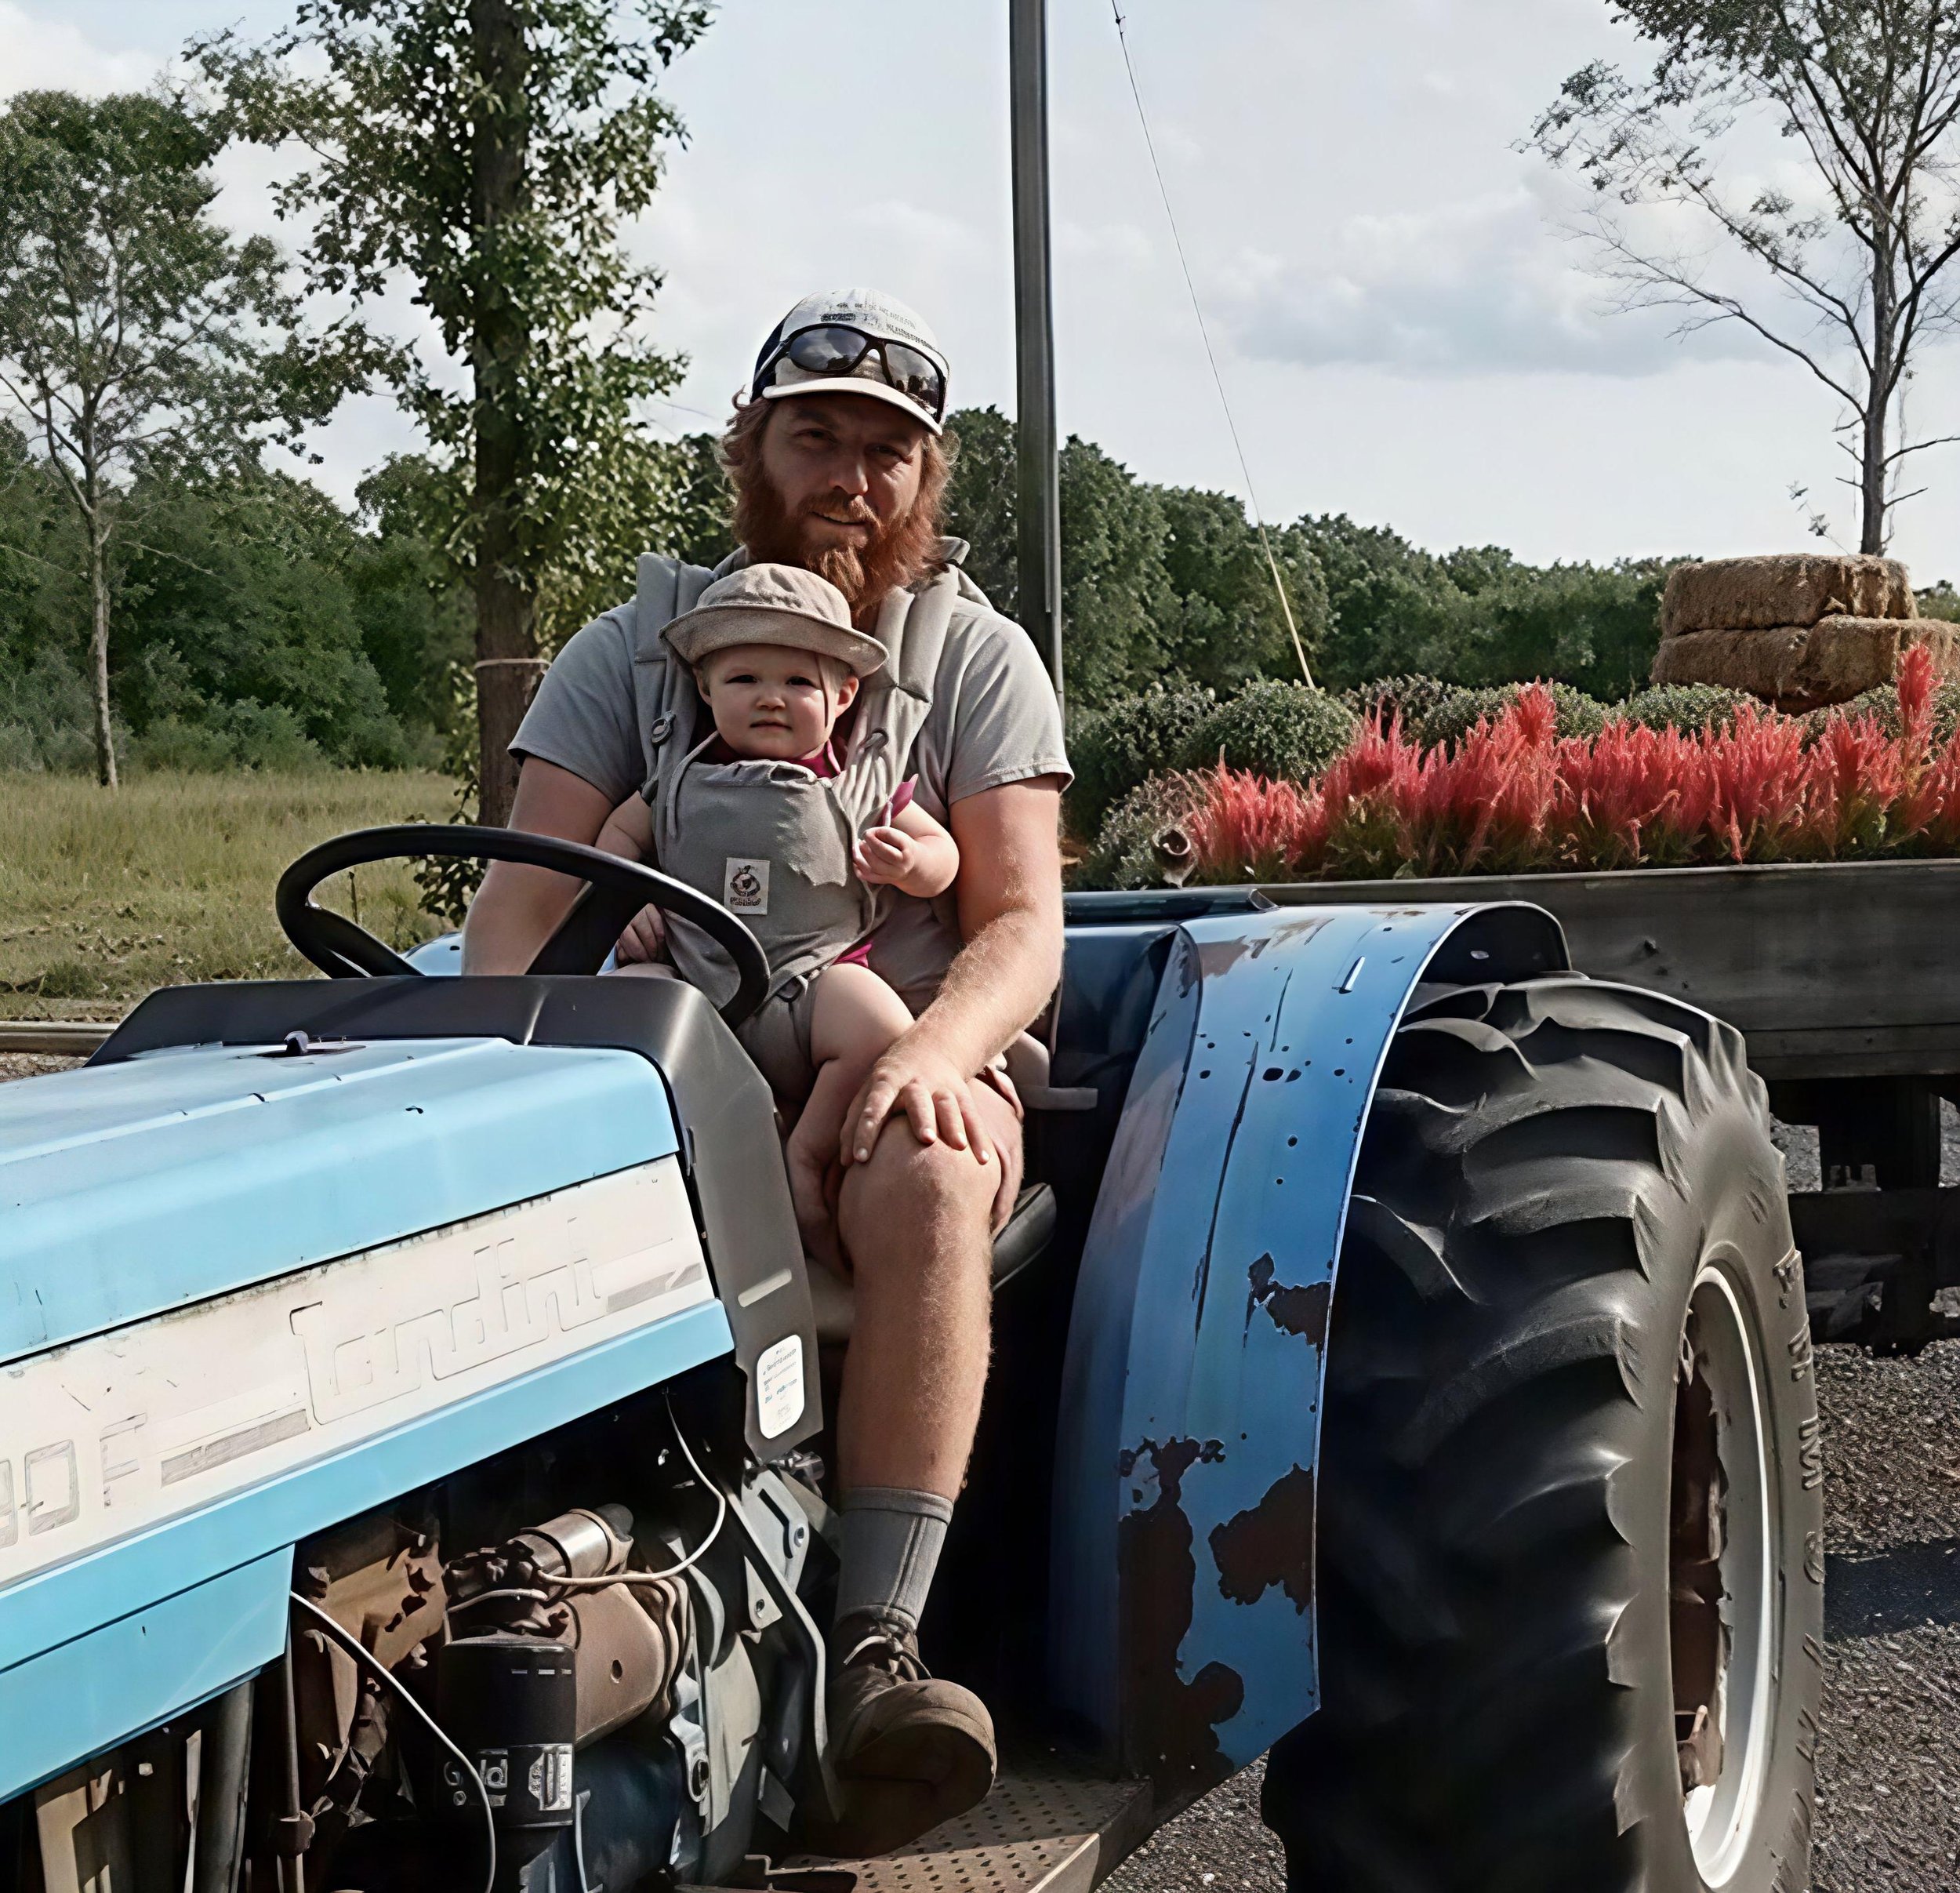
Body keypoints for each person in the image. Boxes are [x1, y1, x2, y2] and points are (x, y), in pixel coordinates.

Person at [462, 288, 1069, 1855]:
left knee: (928, 1161)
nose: (849, 476)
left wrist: (931, 1051)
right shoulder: (635, 648)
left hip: (893, 1040)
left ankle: (875, 1651)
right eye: (816, 438)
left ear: (925, 481)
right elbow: (517, 915)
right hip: (666, 1053)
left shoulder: (970, 658)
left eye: (886, 451)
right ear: (753, 449)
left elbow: (1017, 926)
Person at [593, 561, 965, 1263]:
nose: (771, 699)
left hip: (813, 985)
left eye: (798, 682)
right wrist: (630, 896)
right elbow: (617, 837)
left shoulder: (860, 780)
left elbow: (942, 853)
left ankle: (807, 1148)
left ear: (843, 695)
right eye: (744, 681)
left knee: (885, 1026)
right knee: (611, 1010)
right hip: (694, 992)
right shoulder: (674, 780)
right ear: (705, 688)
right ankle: (702, 1147)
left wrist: (913, 867)